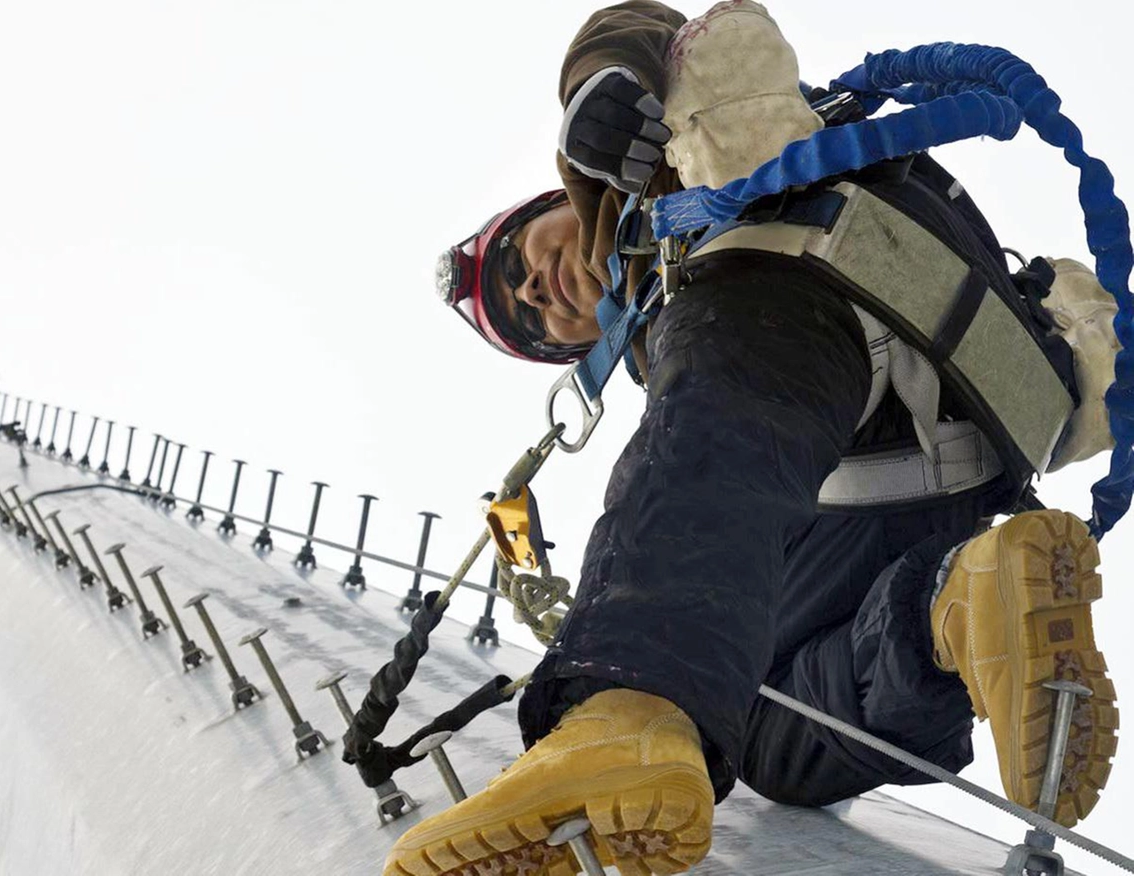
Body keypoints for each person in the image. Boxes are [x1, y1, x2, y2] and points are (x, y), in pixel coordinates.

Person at [386, 3, 1119, 875]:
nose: (538, 289)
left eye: (519, 262)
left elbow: (633, 24)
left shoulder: (638, 178)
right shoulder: (650, 321)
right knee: (771, 731)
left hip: (805, 293)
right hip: (932, 465)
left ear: (554, 207)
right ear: (569, 347)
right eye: (532, 319)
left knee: (695, 451)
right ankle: (954, 607)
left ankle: (623, 707)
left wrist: (599, 90)